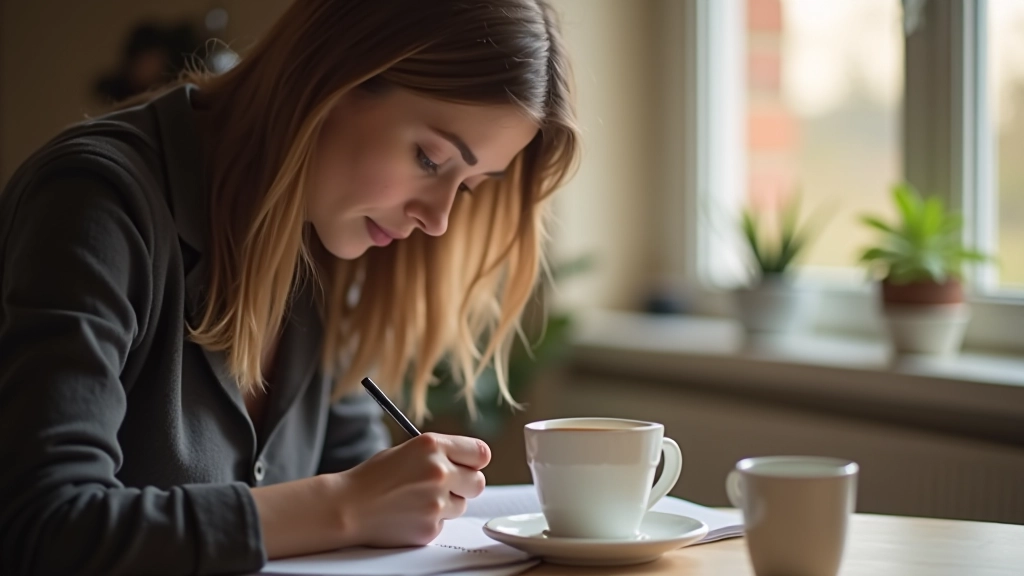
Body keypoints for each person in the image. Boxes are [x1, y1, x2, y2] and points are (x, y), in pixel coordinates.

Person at [0, 0, 579, 573]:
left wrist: (388, 500)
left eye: (470, 187)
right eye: (430, 160)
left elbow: (357, 502)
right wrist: (344, 506)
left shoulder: (328, 248)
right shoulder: (93, 203)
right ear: (332, 76)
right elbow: (45, 525)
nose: (438, 220)